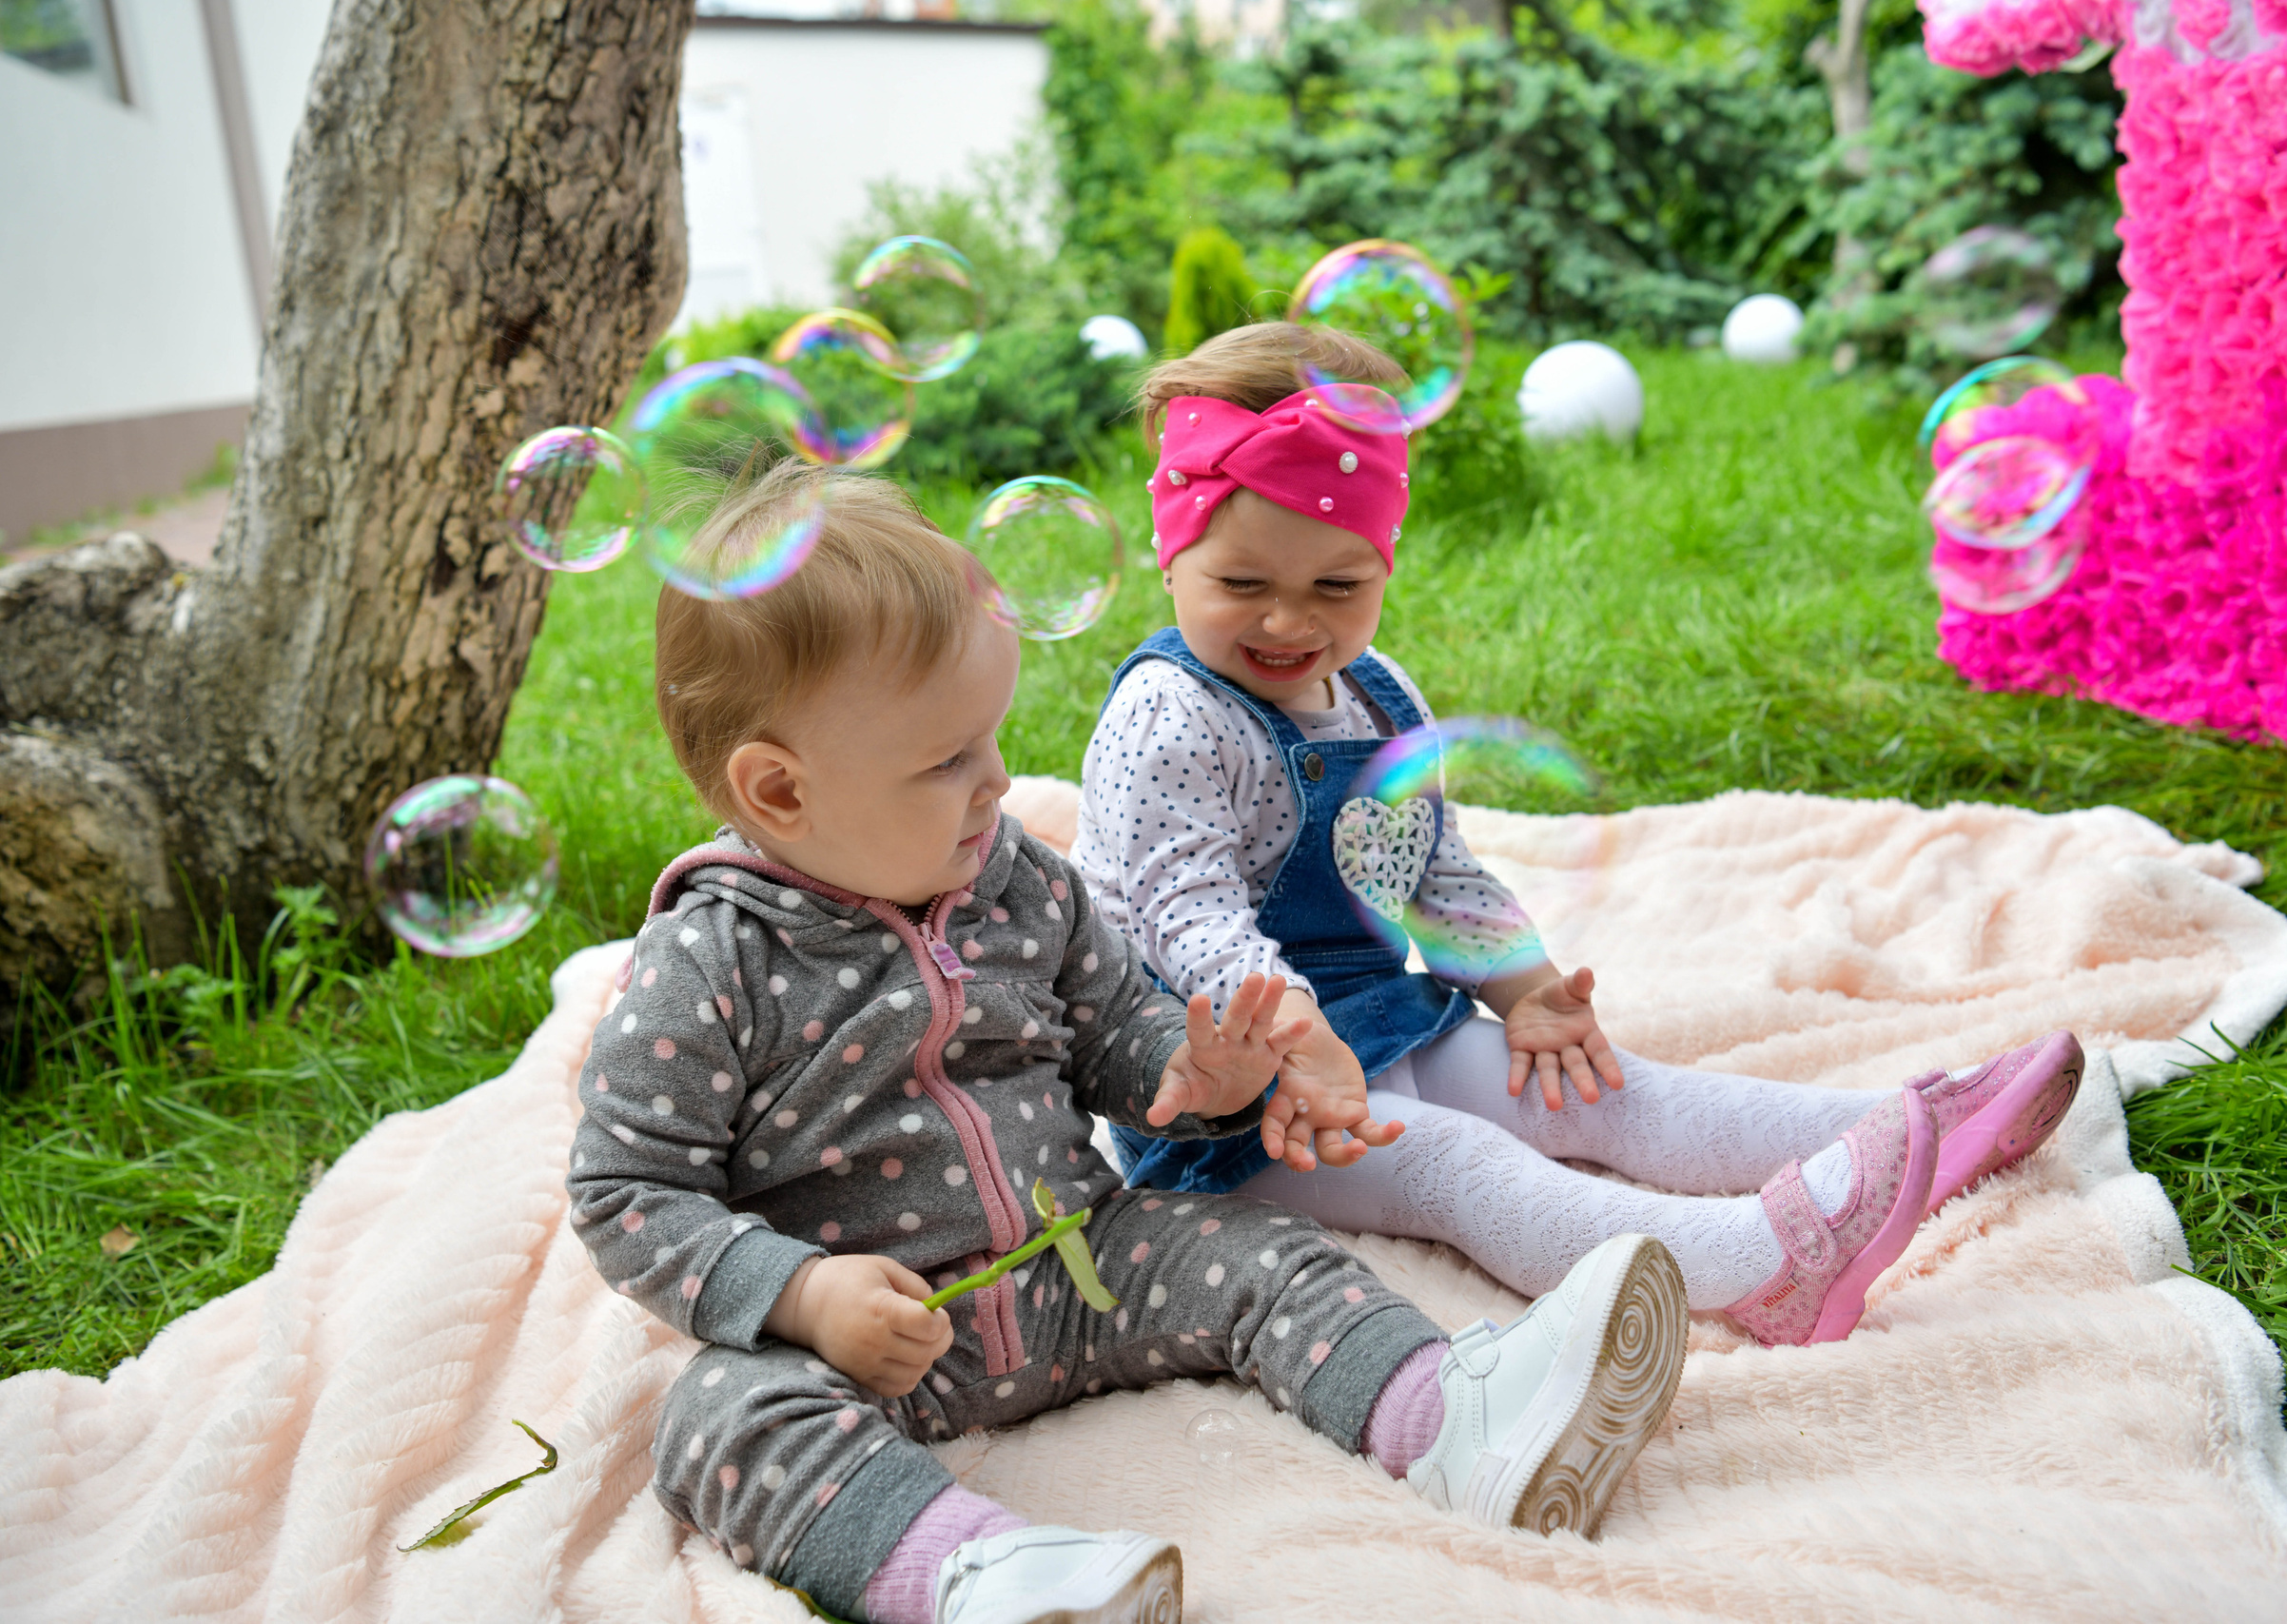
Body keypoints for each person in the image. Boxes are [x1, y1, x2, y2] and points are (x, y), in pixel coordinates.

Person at [568, 465, 1692, 1624]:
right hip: (879, 1339)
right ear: (780, 793)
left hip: (1082, 1266)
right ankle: (970, 1576)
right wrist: (801, 1297)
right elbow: (626, 1190)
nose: (997, 779)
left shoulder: (1023, 884)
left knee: (1263, 1256)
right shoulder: (710, 961)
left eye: (991, 739)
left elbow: (1125, 1038)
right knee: (721, 1421)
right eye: (946, 761)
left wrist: (1201, 1078)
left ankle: (1449, 1420)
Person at [1072, 322, 2086, 1346]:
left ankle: (1900, 1137)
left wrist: (1528, 994)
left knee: (1598, 1090)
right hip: (1237, 1101)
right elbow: (1187, 920)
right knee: (1457, 1166)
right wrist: (1300, 1042)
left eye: (1336, 587)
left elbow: (1435, 870)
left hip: (1379, 1021)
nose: (1288, 622)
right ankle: (1753, 1267)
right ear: (1173, 560)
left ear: (1381, 564)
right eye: (1241, 586)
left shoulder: (1377, 696)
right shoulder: (1172, 716)